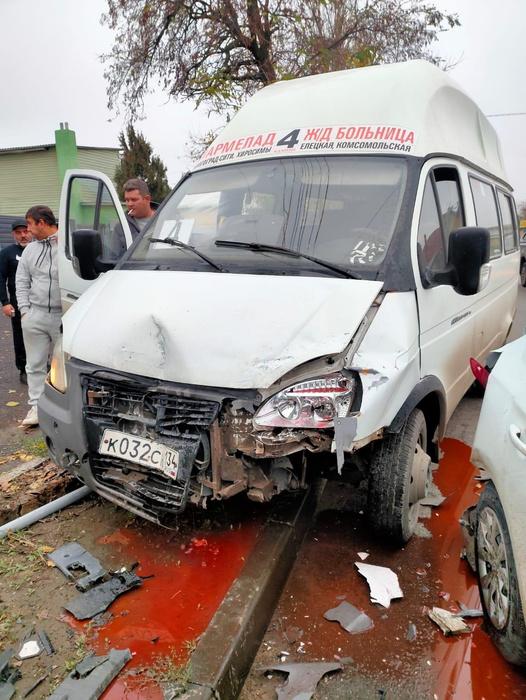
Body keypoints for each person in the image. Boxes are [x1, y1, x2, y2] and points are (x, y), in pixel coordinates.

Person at [16, 206, 61, 427]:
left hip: (64, 317)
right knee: (34, 365)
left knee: (66, 365)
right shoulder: (29, 251)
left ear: (41, 223)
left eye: (30, 225)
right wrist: (25, 311)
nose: (28, 231)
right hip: (36, 315)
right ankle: (36, 407)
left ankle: (65, 409)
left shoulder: (67, 246)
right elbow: (22, 281)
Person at [0, 219, 32, 383]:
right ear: (13, 234)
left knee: (42, 335)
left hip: (39, 302)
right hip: (17, 302)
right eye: (19, 233)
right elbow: (1, 278)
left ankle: (43, 365)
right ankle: (24, 369)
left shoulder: (37, 249)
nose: (23, 235)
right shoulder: (7, 253)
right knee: (20, 336)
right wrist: (5, 302)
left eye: (25, 231)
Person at [108, 179, 157, 259]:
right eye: (127, 200)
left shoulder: (164, 221)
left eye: (134, 200)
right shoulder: (121, 227)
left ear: (147, 199)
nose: (129, 204)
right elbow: (114, 260)